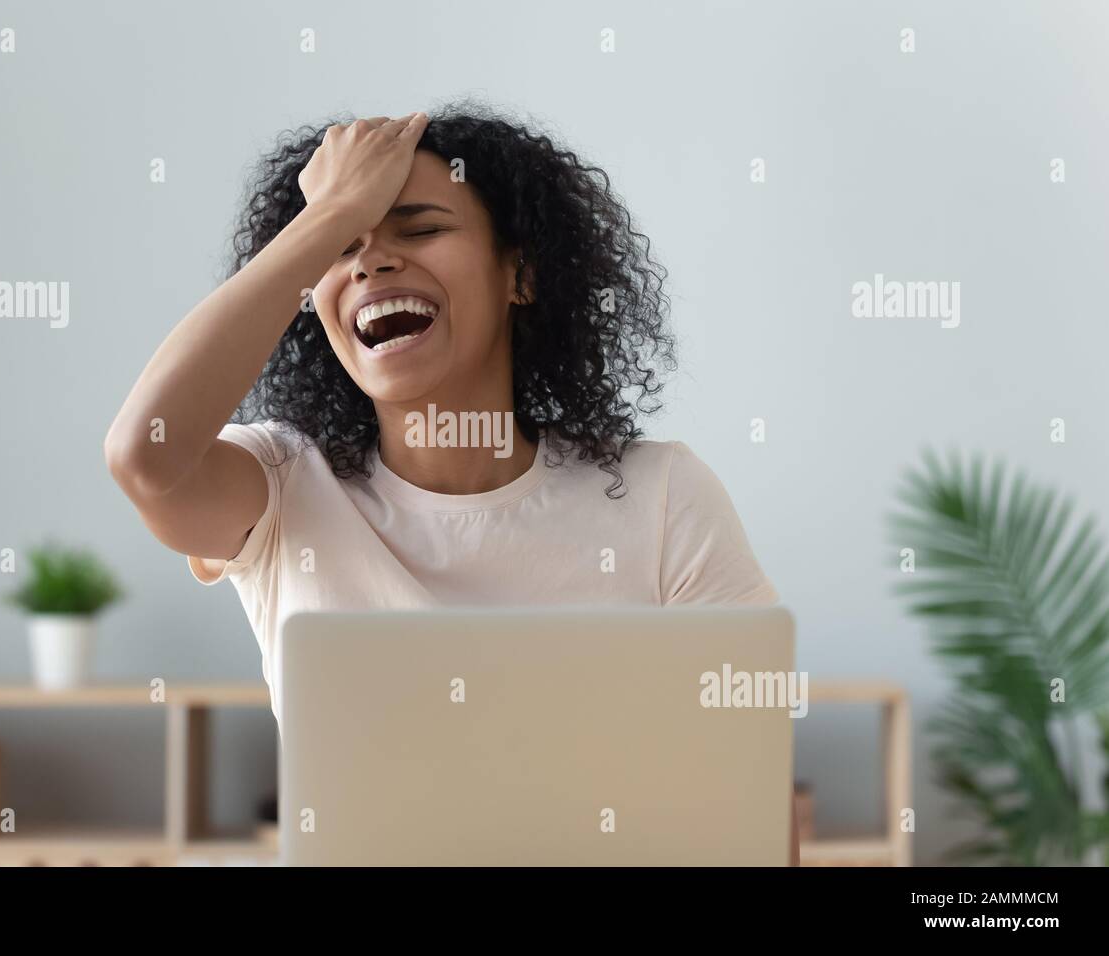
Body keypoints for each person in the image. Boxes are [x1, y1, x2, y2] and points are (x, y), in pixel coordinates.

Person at [104, 102, 795, 864]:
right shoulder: (282, 489)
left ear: (520, 274)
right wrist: (326, 214)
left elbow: (750, 808)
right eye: (343, 246)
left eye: (420, 227)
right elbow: (145, 456)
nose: (370, 262)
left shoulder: (662, 495)